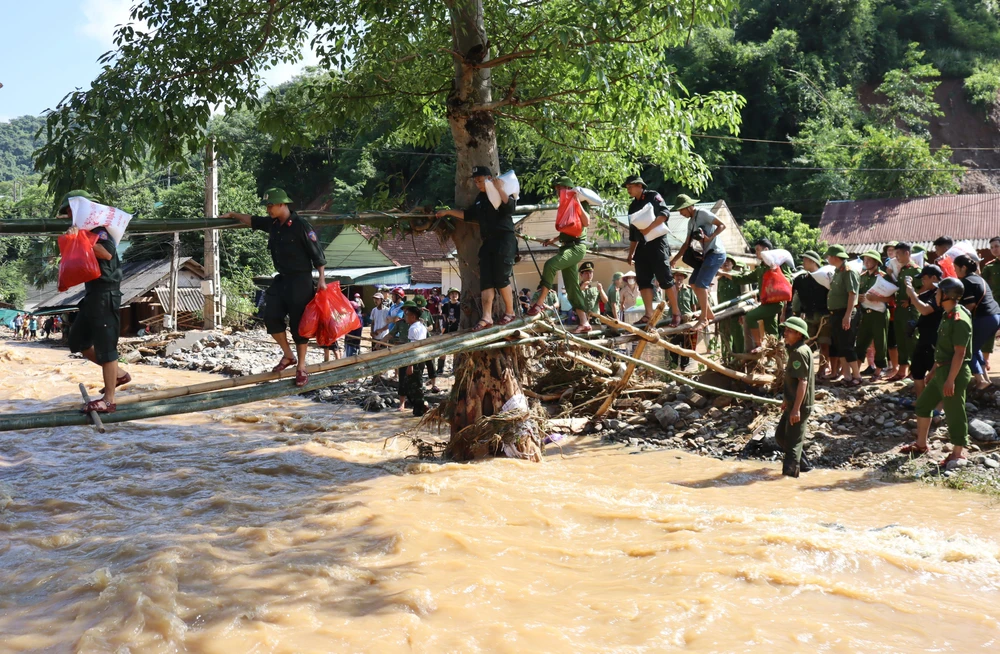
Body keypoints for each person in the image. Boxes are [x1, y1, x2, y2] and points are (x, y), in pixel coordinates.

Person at [221, 187, 327, 387]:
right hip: (282, 279)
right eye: (267, 205)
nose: (268, 209)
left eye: (271, 205)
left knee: (299, 326)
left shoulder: (301, 226)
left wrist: (321, 279)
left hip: (301, 280)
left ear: (282, 204)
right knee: (270, 316)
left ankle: (301, 368)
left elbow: (317, 254)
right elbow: (252, 220)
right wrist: (234, 214)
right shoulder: (273, 224)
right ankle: (288, 356)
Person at [59, 190, 131, 414]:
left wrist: (80, 238)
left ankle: (109, 401)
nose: (69, 215)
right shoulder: (83, 230)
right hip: (91, 294)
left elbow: (106, 253)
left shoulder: (100, 231)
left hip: (106, 293)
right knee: (77, 341)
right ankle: (118, 375)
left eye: (70, 211)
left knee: (107, 348)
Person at [435, 166, 517, 330]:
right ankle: (486, 317)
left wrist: (500, 188)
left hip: (504, 240)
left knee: (501, 278)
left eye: (480, 180)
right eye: (475, 181)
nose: (478, 183)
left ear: (488, 178)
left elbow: (510, 208)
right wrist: (448, 212)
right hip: (487, 242)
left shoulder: (500, 190)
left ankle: (510, 312)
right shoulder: (480, 197)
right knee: (486, 281)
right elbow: (469, 215)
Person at [901, 278, 972, 467]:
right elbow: (943, 351)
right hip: (941, 369)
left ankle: (958, 454)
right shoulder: (947, 314)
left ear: (947, 295)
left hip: (953, 372)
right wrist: (933, 371)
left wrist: (950, 380)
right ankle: (921, 445)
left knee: (955, 412)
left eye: (938, 292)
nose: (935, 295)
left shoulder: (959, 318)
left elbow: (959, 352)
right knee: (923, 405)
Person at [526, 177, 598, 333]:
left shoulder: (580, 203)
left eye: (560, 188)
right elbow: (568, 230)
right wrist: (555, 239)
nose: (558, 192)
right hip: (565, 247)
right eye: (557, 189)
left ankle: (539, 302)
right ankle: (584, 322)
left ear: (568, 188)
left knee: (550, 265)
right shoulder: (564, 206)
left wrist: (577, 201)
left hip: (577, 248)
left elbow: (586, 223)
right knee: (572, 287)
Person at [623, 175, 682, 327]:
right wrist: (631, 253)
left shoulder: (653, 196)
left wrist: (649, 228)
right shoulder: (632, 206)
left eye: (630, 186)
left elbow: (664, 214)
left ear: (639, 185)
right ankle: (648, 314)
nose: (628, 190)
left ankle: (676, 313)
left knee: (665, 279)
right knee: (643, 281)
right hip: (642, 247)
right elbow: (633, 234)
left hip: (658, 244)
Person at [720, 237, 793, 352]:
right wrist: (724, 273)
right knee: (772, 331)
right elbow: (744, 278)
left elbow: (788, 281)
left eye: (758, 250)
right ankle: (779, 357)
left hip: (774, 304)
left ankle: (760, 345)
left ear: (766, 250)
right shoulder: (760, 269)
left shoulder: (779, 265)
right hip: (765, 303)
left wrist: (775, 272)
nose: (756, 253)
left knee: (750, 316)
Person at [670, 194, 727, 330]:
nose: (680, 213)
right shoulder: (691, 222)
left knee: (701, 285)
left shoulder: (703, 213)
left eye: (681, 210)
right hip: (707, 255)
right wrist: (675, 259)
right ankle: (709, 314)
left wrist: (710, 237)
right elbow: (686, 244)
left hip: (716, 253)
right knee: (693, 283)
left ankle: (703, 319)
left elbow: (722, 225)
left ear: (689, 207)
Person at [776, 317, 816, 478]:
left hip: (799, 405)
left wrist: (796, 409)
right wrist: (787, 399)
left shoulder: (799, 352)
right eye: (785, 330)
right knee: (780, 436)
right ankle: (805, 466)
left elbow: (803, 382)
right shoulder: (796, 349)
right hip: (793, 402)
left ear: (799, 334)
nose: (785, 333)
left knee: (792, 447)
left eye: (789, 331)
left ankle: (790, 477)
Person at [953, 254, 1000, 390]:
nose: (955, 271)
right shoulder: (978, 279)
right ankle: (985, 378)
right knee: (975, 347)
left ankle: (980, 379)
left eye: (956, 268)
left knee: (968, 349)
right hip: (995, 316)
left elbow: (970, 305)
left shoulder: (967, 281)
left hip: (984, 317)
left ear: (963, 268)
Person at [904, 265, 944, 398]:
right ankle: (921, 402)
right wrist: (909, 287)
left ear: (933, 278)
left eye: (924, 279)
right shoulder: (929, 292)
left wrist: (911, 292)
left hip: (935, 339)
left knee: (934, 373)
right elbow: (916, 299)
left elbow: (925, 309)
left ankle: (938, 406)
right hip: (924, 338)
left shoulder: (941, 293)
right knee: (917, 369)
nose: (922, 282)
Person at [825, 245, 861, 385]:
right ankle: (847, 376)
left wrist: (847, 316)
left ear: (835, 257)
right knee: (839, 345)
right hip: (836, 313)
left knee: (847, 345)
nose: (827, 258)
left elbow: (852, 295)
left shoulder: (848, 272)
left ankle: (857, 376)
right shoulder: (837, 271)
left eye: (829, 256)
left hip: (845, 312)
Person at [887, 242, 922, 382]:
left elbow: (922, 289)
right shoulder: (902, 270)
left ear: (907, 253)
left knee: (912, 340)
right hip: (900, 310)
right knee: (900, 340)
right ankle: (902, 371)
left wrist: (911, 300)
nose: (897, 258)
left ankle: (916, 371)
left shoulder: (915, 270)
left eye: (899, 254)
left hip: (910, 310)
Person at [792, 251, 831, 376]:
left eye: (805, 260)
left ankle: (822, 370)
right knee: (806, 344)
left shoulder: (827, 278)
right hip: (808, 316)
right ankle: (805, 369)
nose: (803, 262)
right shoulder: (800, 279)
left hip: (824, 316)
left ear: (813, 262)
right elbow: (794, 297)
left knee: (824, 343)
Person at [855, 250, 890, 381]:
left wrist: (876, 298)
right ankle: (856, 372)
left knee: (881, 342)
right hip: (865, 314)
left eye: (869, 260)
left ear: (876, 262)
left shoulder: (883, 276)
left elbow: (892, 297)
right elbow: (856, 294)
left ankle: (878, 371)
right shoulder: (862, 276)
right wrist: (858, 298)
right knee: (861, 342)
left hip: (879, 314)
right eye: (865, 260)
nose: (866, 262)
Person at [401, 304, 429, 417]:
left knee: (412, 386)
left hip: (415, 359)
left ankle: (422, 405)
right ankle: (420, 408)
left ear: (413, 316)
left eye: (407, 315)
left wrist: (410, 365)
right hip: (421, 358)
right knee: (417, 383)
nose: (405, 317)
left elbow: (413, 348)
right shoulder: (422, 326)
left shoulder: (413, 328)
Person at [716, 256, 746, 357]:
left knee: (738, 339)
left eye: (728, 261)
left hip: (736, 313)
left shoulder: (738, 276)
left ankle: (739, 362)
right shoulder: (720, 280)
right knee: (725, 338)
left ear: (733, 264)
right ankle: (726, 361)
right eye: (723, 261)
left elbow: (743, 295)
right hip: (724, 314)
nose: (725, 263)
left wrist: (743, 313)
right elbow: (719, 298)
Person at [669, 268, 698, 369]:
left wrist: (694, 317)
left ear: (684, 278)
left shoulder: (689, 290)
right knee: (673, 345)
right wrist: (675, 291)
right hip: (673, 322)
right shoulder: (669, 289)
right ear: (674, 277)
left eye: (681, 276)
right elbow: (667, 304)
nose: (679, 278)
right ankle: (674, 366)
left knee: (687, 346)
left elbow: (693, 305)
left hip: (687, 321)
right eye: (677, 275)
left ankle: (684, 368)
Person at [414, 295, 440, 393]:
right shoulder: (411, 314)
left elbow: (431, 326)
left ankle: (434, 384)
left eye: (420, 307)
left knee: (431, 363)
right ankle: (418, 385)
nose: (419, 309)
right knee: (419, 364)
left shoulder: (426, 313)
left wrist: (426, 328)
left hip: (427, 340)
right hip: (416, 342)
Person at [981, 237, 1000, 369]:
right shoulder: (989, 266)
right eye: (992, 247)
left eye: (997, 246)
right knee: (989, 331)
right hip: (995, 304)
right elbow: (983, 285)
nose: (994, 249)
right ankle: (985, 361)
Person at [438, 287, 461, 374]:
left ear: (458, 296)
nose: (454, 295)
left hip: (457, 329)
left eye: (455, 294)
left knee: (456, 349)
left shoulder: (460, 305)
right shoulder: (446, 305)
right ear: (449, 296)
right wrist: (446, 320)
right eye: (452, 294)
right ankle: (440, 368)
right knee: (443, 348)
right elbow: (444, 315)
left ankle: (455, 367)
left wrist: (456, 320)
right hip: (447, 328)